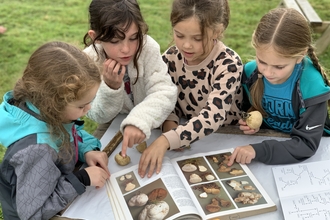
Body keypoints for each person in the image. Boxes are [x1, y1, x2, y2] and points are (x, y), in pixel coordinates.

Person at [0, 41, 110, 220]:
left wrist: (86, 149)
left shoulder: (44, 112)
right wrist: (81, 179)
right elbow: (33, 214)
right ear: (53, 104)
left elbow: (68, 133)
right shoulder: (38, 150)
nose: (88, 108)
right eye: (82, 105)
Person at [138, 0, 243, 178]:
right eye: (179, 35)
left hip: (225, 139)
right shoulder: (170, 58)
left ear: (217, 31)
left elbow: (212, 117)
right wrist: (170, 124)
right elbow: (168, 97)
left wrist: (166, 140)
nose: (187, 45)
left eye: (197, 38)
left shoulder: (228, 64)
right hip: (188, 137)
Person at [227, 8, 330, 166]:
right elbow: (248, 107)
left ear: (300, 56)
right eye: (262, 62)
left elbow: (306, 144)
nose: (268, 72)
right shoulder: (250, 73)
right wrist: (251, 121)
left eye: (279, 67)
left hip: (314, 158)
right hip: (271, 142)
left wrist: (259, 151)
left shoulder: (311, 87)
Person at [83, 0, 177, 156]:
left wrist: (139, 120)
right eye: (114, 41)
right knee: (96, 162)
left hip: (151, 117)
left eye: (134, 38)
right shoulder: (89, 61)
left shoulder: (147, 48)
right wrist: (111, 87)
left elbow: (164, 90)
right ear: (96, 37)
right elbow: (96, 114)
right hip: (110, 123)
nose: (126, 49)